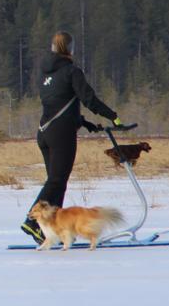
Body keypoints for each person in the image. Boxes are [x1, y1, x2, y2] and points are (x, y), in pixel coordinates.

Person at [20, 31, 121, 244]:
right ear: (70, 49)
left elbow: (61, 105)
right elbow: (89, 99)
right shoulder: (71, 72)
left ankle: (50, 230)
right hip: (60, 135)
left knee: (57, 183)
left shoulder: (45, 75)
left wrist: (85, 123)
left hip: (44, 132)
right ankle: (32, 221)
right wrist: (113, 116)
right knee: (57, 181)